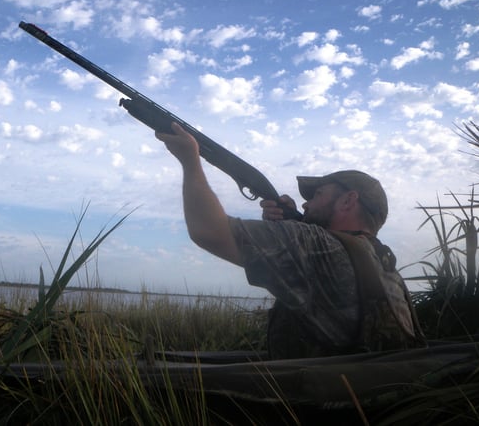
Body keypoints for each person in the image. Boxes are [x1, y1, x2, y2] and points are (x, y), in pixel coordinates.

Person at [156, 122, 424, 359]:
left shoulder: (317, 246)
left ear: (348, 200)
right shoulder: (380, 260)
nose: (306, 204)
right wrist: (291, 226)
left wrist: (190, 160)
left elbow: (207, 230)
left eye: (318, 194)